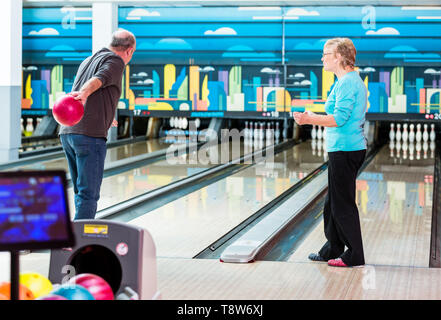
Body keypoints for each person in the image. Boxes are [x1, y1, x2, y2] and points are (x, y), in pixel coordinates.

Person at [293, 37, 367, 267]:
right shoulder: (345, 81)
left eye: (326, 53)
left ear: (338, 57)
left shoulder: (347, 83)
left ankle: (354, 253)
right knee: (332, 203)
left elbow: (339, 119)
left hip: (346, 149)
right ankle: (332, 248)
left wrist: (308, 119)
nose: (322, 58)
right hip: (343, 148)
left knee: (342, 203)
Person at [59, 28, 136, 220]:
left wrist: (106, 116)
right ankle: (80, 241)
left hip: (69, 132)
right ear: (129, 51)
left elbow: (97, 90)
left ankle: (75, 234)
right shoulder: (115, 60)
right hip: (89, 135)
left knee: (80, 190)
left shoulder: (88, 60)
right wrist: (84, 94)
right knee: (89, 193)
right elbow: (98, 80)